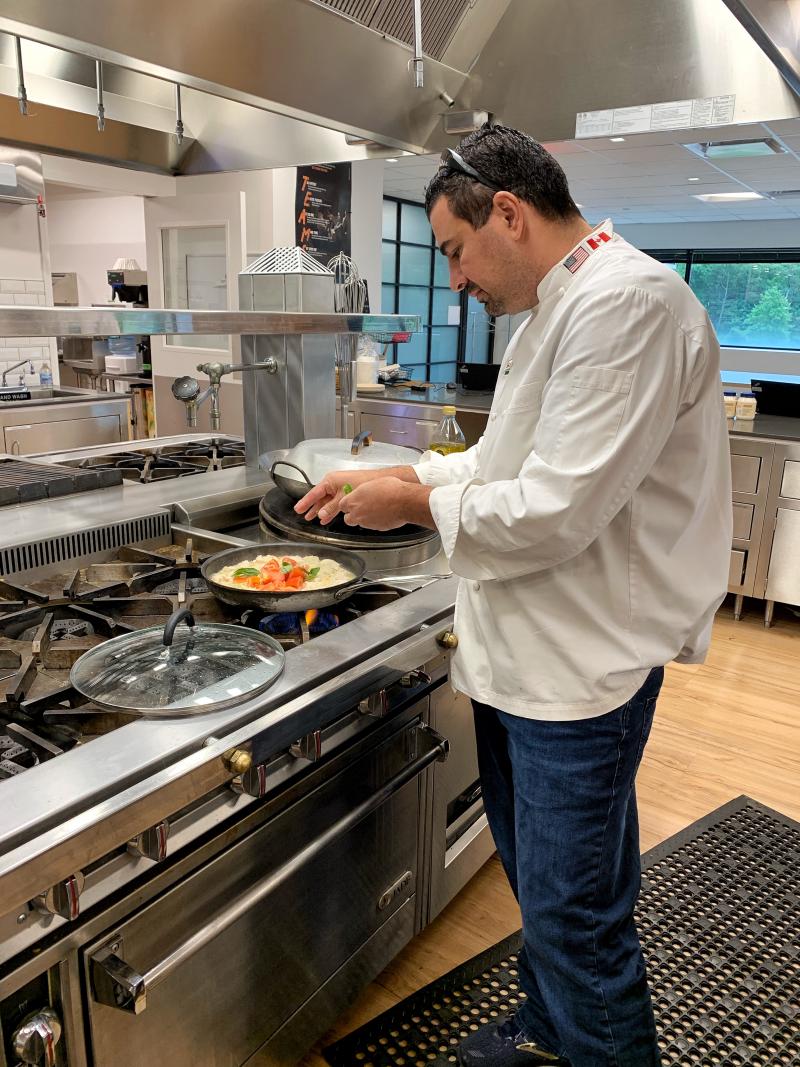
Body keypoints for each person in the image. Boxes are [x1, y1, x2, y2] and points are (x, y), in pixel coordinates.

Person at [295, 123, 732, 1067]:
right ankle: (543, 1035)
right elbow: (500, 464)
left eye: (455, 250)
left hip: (580, 675)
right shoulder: (554, 310)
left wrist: (412, 502)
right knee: (546, 891)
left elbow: (553, 511)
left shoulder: (629, 306)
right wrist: (404, 474)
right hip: (528, 659)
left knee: (579, 922)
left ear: (509, 212)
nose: (454, 278)